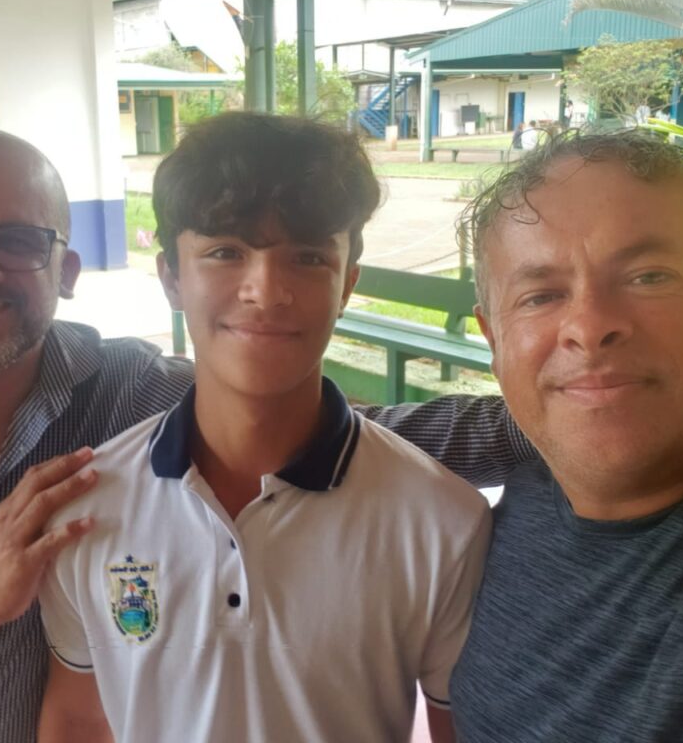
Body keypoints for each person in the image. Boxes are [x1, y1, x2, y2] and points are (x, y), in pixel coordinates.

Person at [0, 125, 531, 742]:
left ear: (65, 271)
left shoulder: (128, 388)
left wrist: (565, 420)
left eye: (18, 242)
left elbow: (314, 421)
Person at [37, 111, 492, 743]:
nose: (266, 290)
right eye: (226, 252)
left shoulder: (443, 521)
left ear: (348, 285)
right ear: (171, 276)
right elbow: (80, 718)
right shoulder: (87, 508)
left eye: (307, 258)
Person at [377, 129, 683, 741]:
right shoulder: (513, 500)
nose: (589, 328)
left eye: (649, 276)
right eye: (541, 296)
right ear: (494, 341)